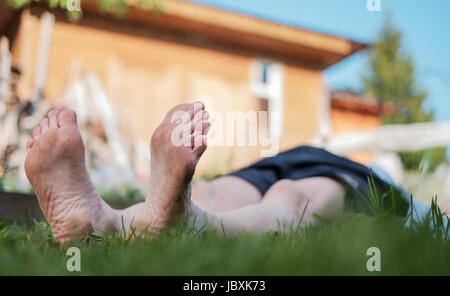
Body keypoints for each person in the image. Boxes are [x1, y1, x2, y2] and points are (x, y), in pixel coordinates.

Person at [24, 102, 411, 243]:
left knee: (282, 196)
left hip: (332, 173)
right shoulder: (387, 181)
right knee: (237, 194)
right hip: (306, 166)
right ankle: (106, 220)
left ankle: (113, 222)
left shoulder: (390, 189)